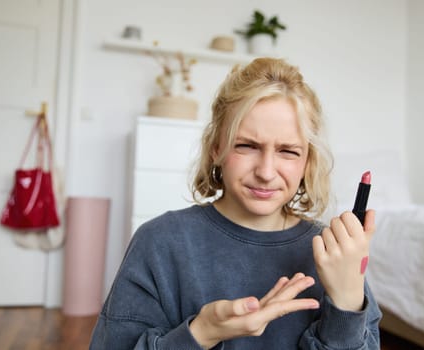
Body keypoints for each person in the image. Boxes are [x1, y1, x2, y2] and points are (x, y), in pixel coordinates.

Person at [89, 57, 382, 349]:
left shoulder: (333, 254)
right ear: (217, 147)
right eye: (246, 146)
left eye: (288, 151)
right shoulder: (160, 242)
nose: (266, 172)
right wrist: (201, 333)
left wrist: (346, 303)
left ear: (308, 161)